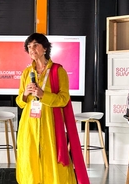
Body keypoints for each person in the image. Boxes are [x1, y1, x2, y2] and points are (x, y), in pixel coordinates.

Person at [15, 33, 89, 184]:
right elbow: (20, 102)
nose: (32, 49)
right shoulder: (26, 73)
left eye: (35, 45)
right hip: (29, 124)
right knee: (30, 159)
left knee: (53, 159)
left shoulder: (58, 71)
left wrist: (43, 95)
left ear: (45, 48)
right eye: (29, 47)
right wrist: (25, 94)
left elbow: (64, 99)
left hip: (51, 124)